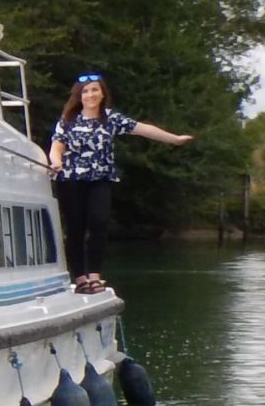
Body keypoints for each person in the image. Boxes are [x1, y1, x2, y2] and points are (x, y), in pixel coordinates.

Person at [48, 73, 192, 294]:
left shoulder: (110, 118)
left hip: (101, 179)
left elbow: (143, 129)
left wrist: (174, 139)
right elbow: (57, 146)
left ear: (102, 93)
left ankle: (95, 276)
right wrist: (56, 161)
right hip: (71, 179)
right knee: (76, 228)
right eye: (85, 91)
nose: (90, 95)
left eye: (95, 90)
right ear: (79, 96)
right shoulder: (68, 120)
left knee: (99, 222)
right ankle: (80, 278)